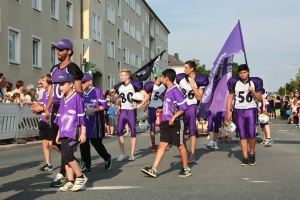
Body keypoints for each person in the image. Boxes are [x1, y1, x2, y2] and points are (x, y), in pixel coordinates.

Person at [45, 39, 85, 187]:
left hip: (68, 109)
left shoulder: (73, 68)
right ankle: (71, 160)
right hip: (56, 108)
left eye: (61, 49)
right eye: (57, 49)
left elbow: (79, 92)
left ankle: (64, 173)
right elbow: (51, 93)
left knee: (62, 141)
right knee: (53, 142)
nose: (58, 52)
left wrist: (72, 108)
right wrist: (46, 109)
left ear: (69, 51)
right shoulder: (54, 69)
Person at [141, 68, 191, 178]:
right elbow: (171, 106)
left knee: (180, 145)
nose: (160, 78)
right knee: (162, 145)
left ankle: (186, 168)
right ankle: (154, 169)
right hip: (165, 122)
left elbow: (183, 108)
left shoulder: (176, 91)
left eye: (162, 77)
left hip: (176, 122)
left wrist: (173, 118)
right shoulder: (167, 91)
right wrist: (162, 110)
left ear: (166, 78)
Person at [53, 72, 88, 191]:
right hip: (63, 132)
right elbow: (60, 118)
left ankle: (80, 176)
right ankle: (70, 180)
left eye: (63, 84)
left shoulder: (77, 98)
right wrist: (58, 133)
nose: (60, 87)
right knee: (65, 157)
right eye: (59, 85)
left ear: (71, 84)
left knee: (68, 154)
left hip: (73, 131)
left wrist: (83, 133)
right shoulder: (62, 99)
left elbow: (82, 117)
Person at [226, 64, 263, 166]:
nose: (243, 75)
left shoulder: (255, 81)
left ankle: (251, 153)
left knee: (251, 134)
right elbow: (230, 98)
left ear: (248, 72)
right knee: (242, 135)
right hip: (238, 110)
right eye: (241, 73)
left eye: (244, 72)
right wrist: (228, 112)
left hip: (251, 109)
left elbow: (260, 98)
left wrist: (252, 91)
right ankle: (245, 157)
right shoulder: (234, 82)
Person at [176, 60, 209, 163]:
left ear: (192, 69)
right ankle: (185, 153)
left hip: (191, 106)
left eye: (186, 67)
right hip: (181, 107)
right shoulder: (181, 79)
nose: (184, 69)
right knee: (180, 131)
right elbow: (179, 93)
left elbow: (199, 97)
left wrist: (193, 86)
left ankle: (192, 155)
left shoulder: (199, 80)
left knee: (192, 131)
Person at [114, 69, 149, 161]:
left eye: (122, 75)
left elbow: (147, 96)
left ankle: (132, 154)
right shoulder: (119, 87)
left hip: (131, 111)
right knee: (119, 131)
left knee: (133, 132)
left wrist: (140, 105)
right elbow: (117, 98)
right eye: (120, 75)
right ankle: (122, 153)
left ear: (127, 76)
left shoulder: (135, 85)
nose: (120, 77)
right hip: (122, 110)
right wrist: (115, 99)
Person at [80, 73, 112, 174]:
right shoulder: (80, 93)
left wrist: (93, 110)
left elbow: (104, 106)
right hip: (84, 123)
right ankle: (87, 166)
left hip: (95, 122)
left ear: (90, 81)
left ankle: (107, 157)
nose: (82, 84)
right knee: (83, 143)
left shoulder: (97, 91)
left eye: (84, 82)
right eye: (81, 82)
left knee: (96, 143)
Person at [144, 72, 166, 151]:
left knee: (163, 126)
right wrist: (145, 107)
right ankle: (153, 144)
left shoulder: (164, 86)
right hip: (152, 107)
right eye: (162, 77)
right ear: (158, 77)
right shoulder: (151, 86)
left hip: (160, 106)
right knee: (152, 126)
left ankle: (163, 142)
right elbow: (146, 97)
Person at [37, 74, 55, 172]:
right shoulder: (44, 93)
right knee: (44, 144)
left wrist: (44, 109)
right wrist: (37, 108)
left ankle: (69, 158)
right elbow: (44, 106)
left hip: (51, 121)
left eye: (43, 81)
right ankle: (48, 164)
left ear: (48, 81)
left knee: (53, 144)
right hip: (43, 120)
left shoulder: (54, 93)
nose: (41, 82)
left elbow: (53, 108)